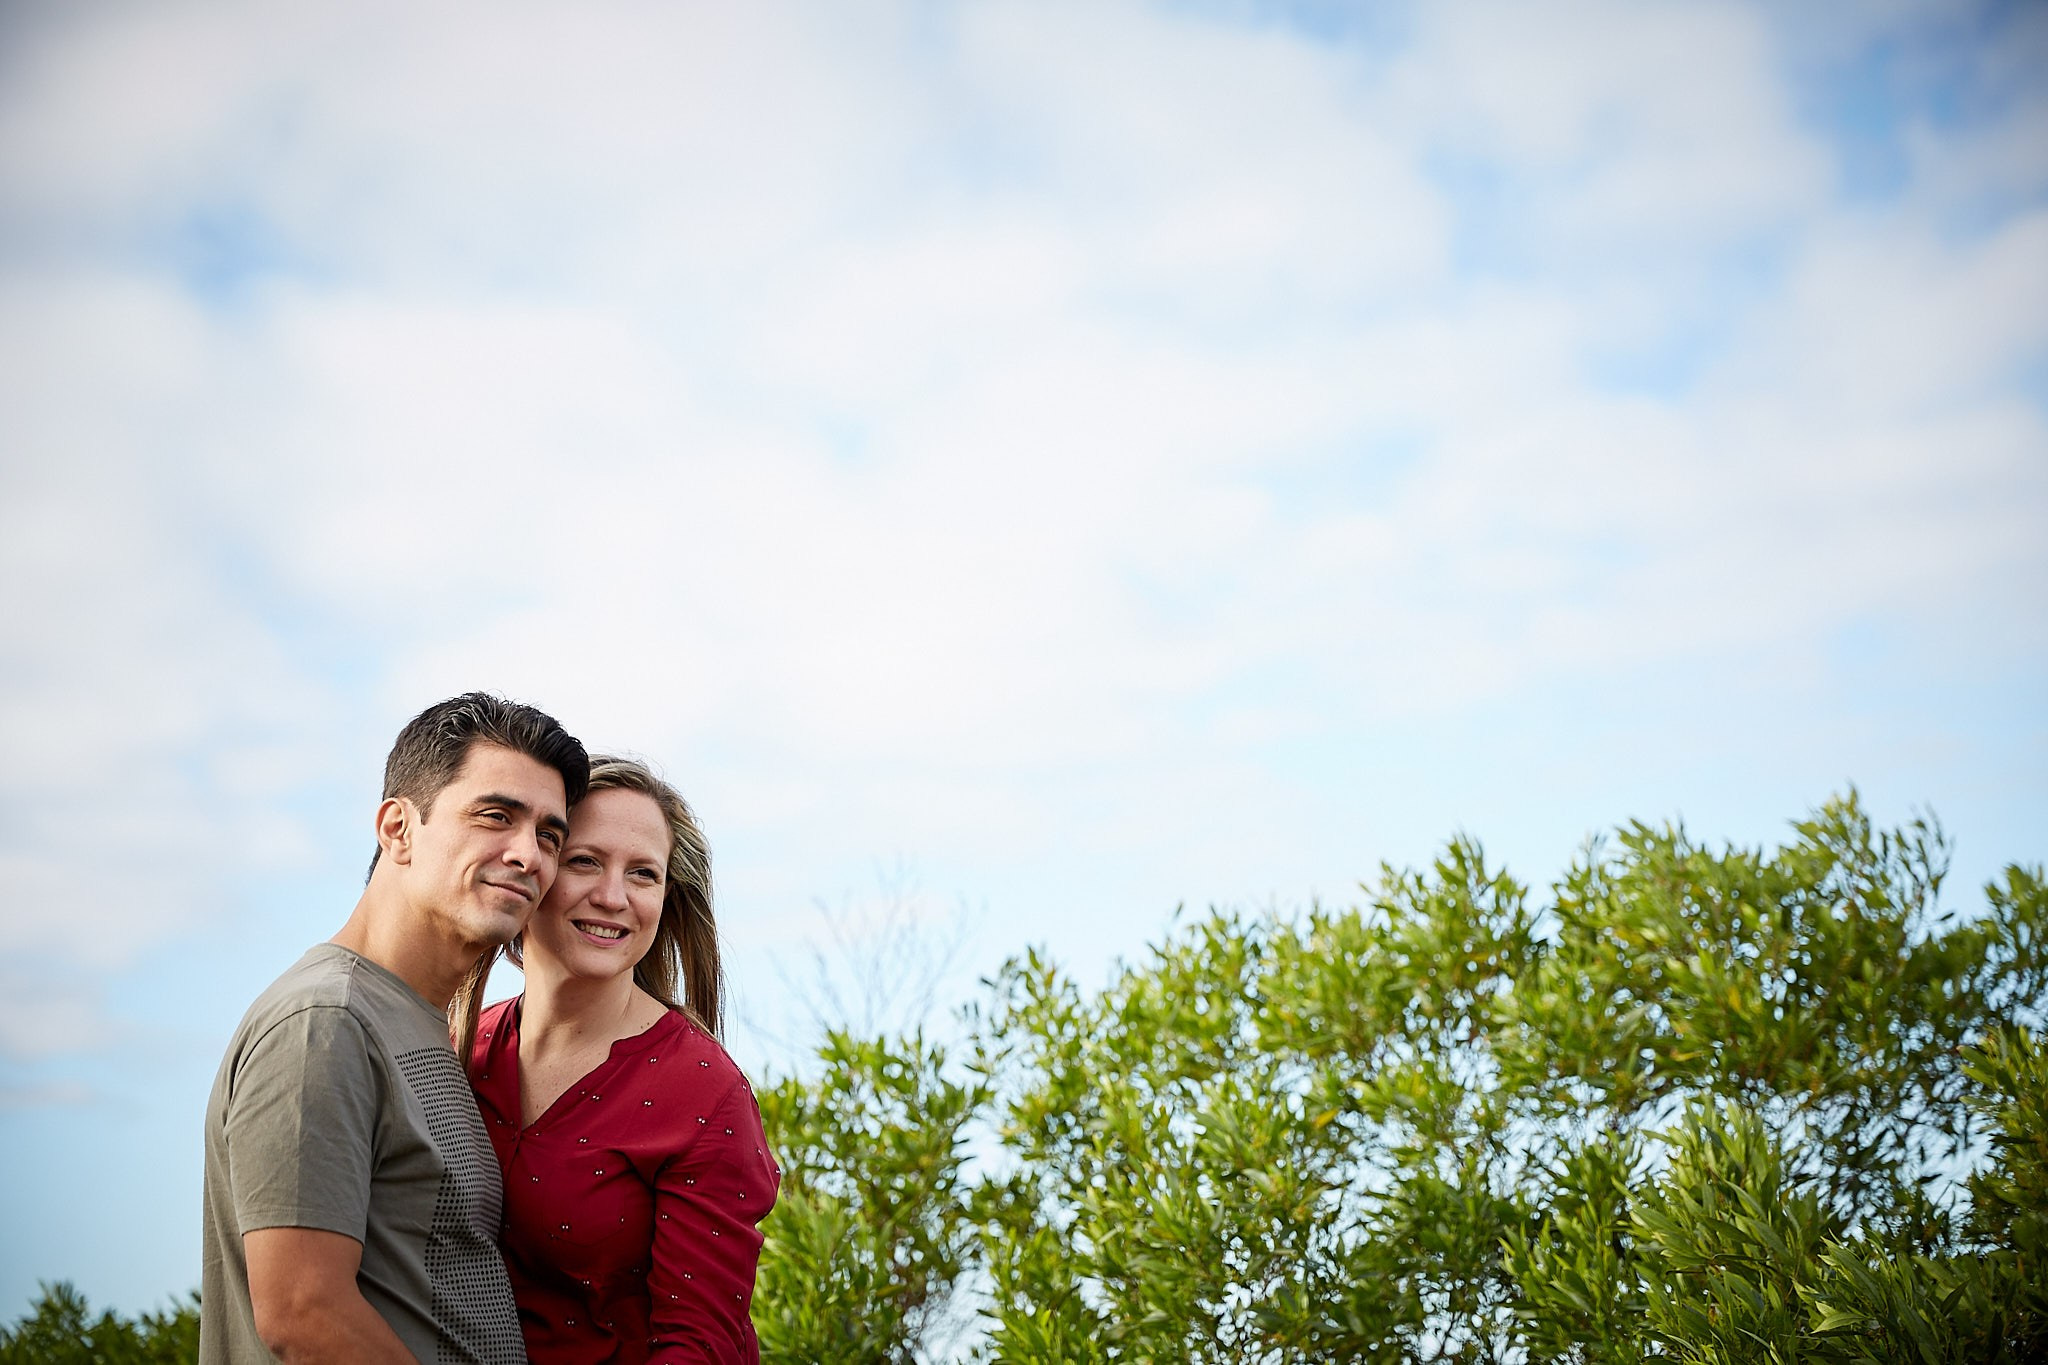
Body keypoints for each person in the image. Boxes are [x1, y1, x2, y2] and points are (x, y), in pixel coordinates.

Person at [201, 692, 590, 1365]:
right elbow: (302, 1311)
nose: (529, 854)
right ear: (398, 828)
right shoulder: (324, 1021)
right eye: (496, 815)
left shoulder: (413, 1024)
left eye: (550, 835)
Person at [458, 756, 779, 1365]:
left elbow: (699, 1345)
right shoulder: (460, 1047)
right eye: (584, 861)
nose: (612, 897)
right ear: (535, 866)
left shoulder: (705, 1096)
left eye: (643, 874)